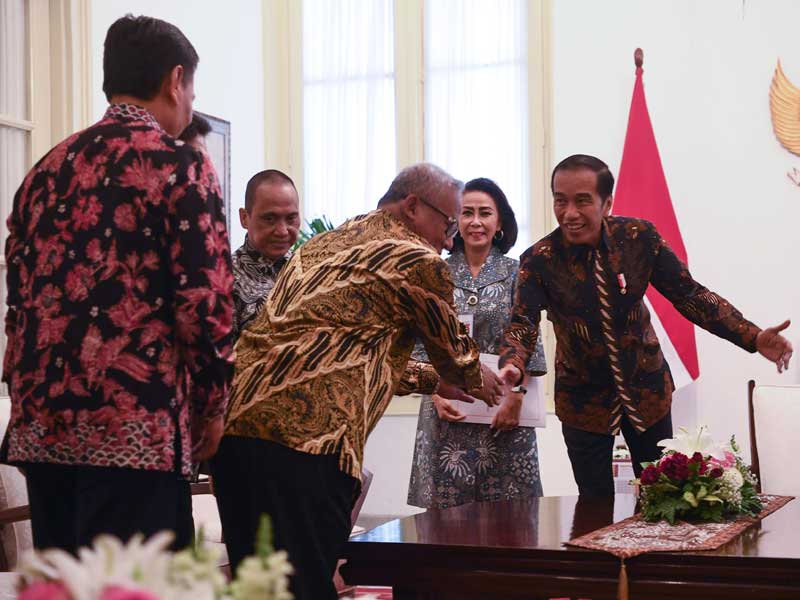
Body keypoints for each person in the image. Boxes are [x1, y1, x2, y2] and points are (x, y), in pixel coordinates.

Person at [212, 163, 504, 600]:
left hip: (239, 440)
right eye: (447, 222)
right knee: (306, 586)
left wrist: (433, 381)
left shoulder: (326, 244)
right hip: (306, 447)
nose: (450, 239)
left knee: (256, 588)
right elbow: (456, 356)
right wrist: (475, 375)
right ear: (411, 207)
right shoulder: (416, 259)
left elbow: (343, 354)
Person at [0, 15, 233, 552]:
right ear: (176, 81)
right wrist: (212, 410)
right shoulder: (181, 167)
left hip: (43, 431)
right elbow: (205, 305)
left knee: (67, 587)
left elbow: (19, 307)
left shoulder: (45, 170)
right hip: (135, 431)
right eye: (191, 91)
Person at [499, 154, 793, 497]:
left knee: (662, 498)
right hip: (582, 400)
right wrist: (512, 362)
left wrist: (753, 336)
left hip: (647, 393)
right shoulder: (539, 259)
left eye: (583, 201)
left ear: (607, 202)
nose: (569, 213)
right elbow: (522, 323)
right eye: (560, 201)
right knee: (594, 506)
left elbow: (691, 296)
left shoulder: (639, 238)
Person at [408, 177, 547, 509]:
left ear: (499, 222)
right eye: (466, 213)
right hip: (446, 417)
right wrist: (434, 394)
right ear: (454, 220)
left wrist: (517, 397)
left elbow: (529, 337)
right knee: (445, 533)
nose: (475, 222)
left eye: (485, 213)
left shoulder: (519, 273)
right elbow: (417, 344)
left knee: (512, 526)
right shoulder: (433, 271)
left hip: (505, 416)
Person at [232, 170, 300, 339]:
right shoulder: (225, 279)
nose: (282, 231)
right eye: (270, 219)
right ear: (244, 218)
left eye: (291, 219)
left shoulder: (310, 269)